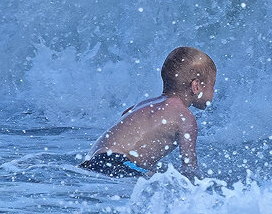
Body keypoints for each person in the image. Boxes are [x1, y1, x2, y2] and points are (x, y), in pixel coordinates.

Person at [80, 47, 217, 179]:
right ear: (196, 86)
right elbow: (190, 169)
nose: (214, 91)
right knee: (165, 182)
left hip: (93, 161)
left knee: (153, 175)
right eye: (213, 85)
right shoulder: (184, 117)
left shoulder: (142, 105)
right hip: (118, 162)